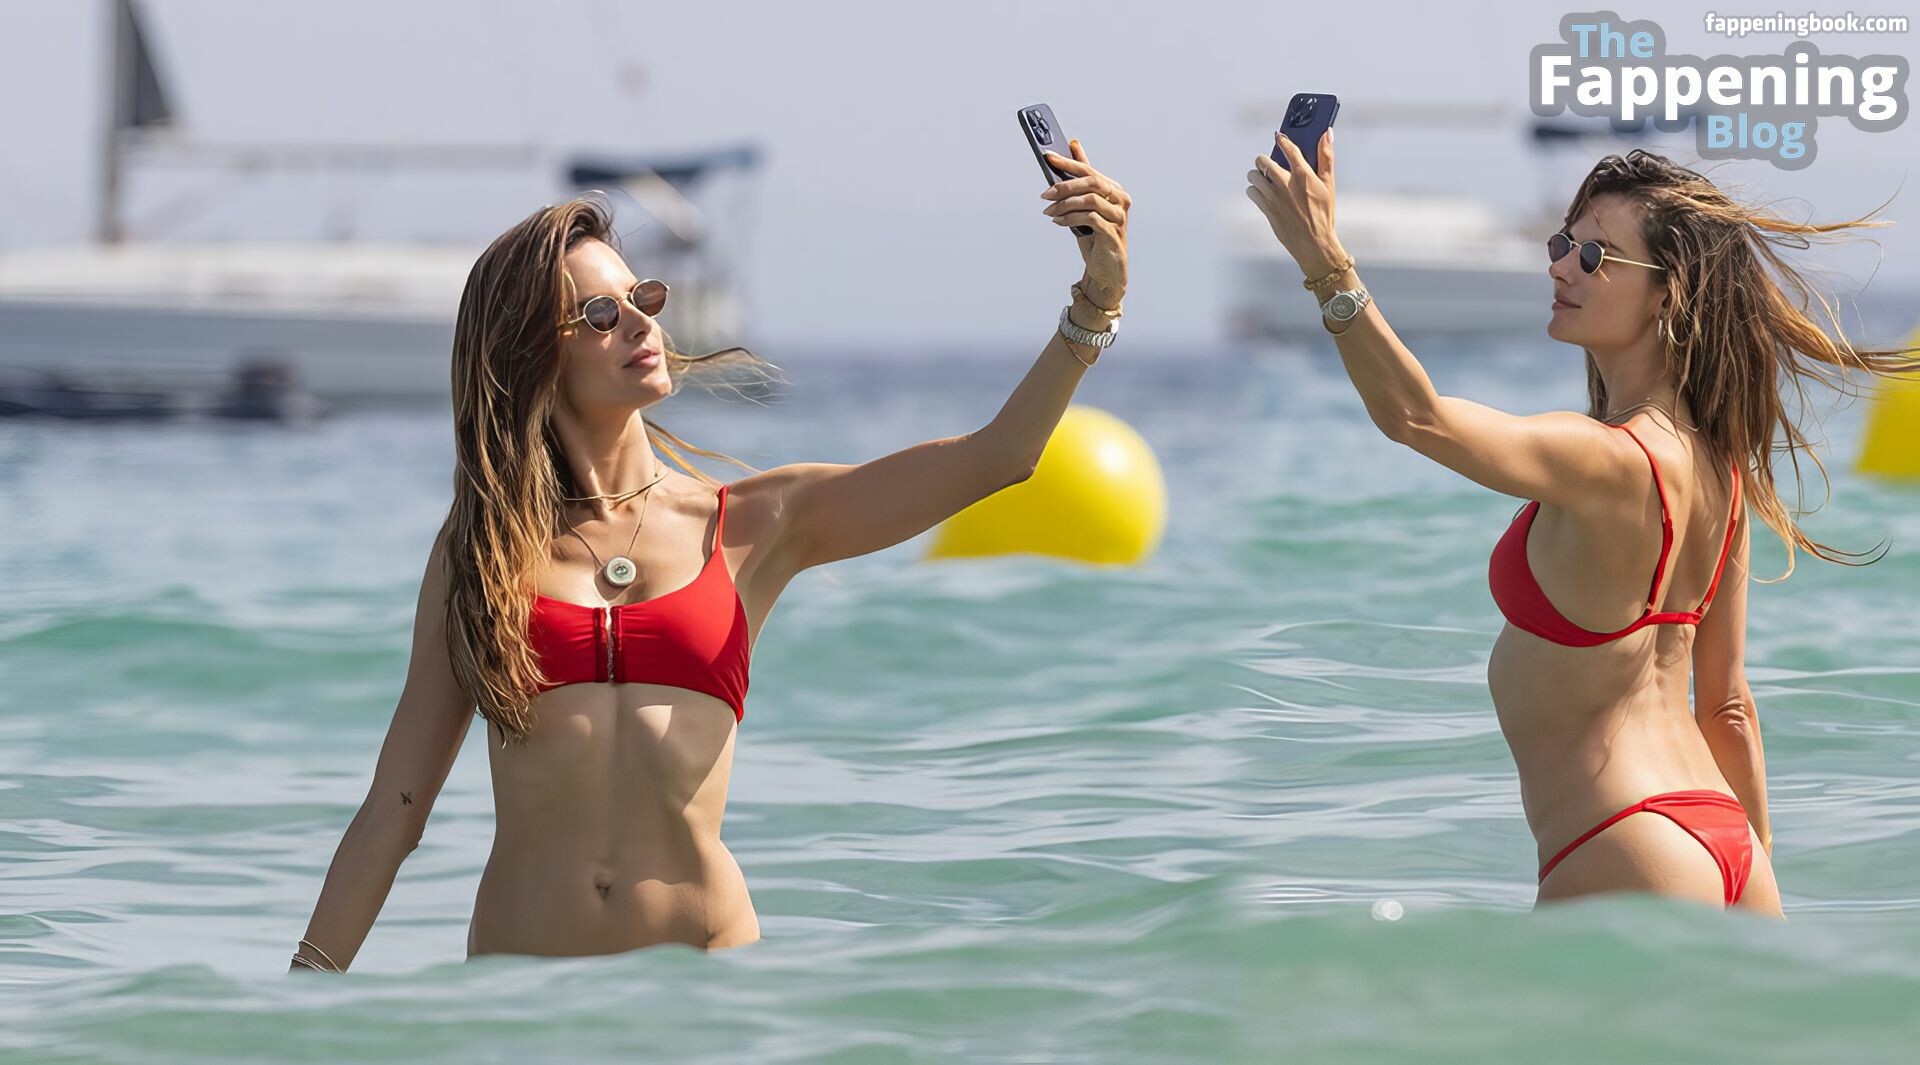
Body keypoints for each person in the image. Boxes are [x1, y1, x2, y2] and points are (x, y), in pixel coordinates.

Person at [288, 142, 1131, 971]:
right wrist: (300, 997)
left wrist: (1095, 304)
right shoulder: (482, 552)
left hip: (708, 995)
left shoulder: (758, 522)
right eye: (602, 314)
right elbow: (394, 812)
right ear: (531, 351)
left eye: (642, 296)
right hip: (527, 1002)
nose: (643, 321)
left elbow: (998, 457)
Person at [1246, 137, 1919, 915]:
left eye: (1596, 256)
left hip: (1622, 839)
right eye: (1563, 245)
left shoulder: (1605, 457)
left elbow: (1415, 416)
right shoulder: (1722, 474)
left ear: (1667, 294)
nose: (1562, 268)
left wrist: (1325, 261)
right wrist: (1752, 871)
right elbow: (1728, 707)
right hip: (1727, 839)